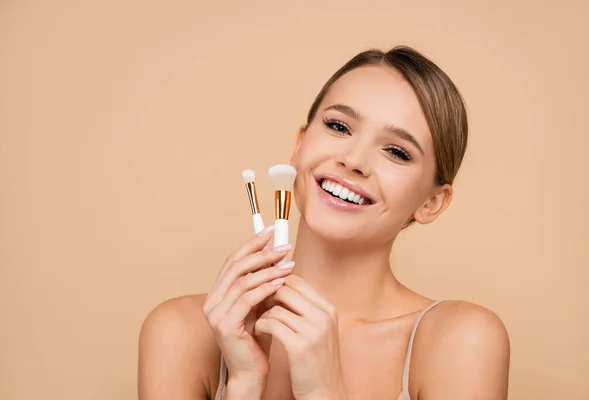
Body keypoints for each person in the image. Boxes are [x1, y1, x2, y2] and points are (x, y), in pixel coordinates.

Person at [137, 45, 511, 400]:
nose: (354, 160)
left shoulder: (461, 341)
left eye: (396, 151)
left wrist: (324, 391)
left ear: (432, 203)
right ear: (299, 146)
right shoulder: (182, 333)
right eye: (339, 127)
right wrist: (245, 385)